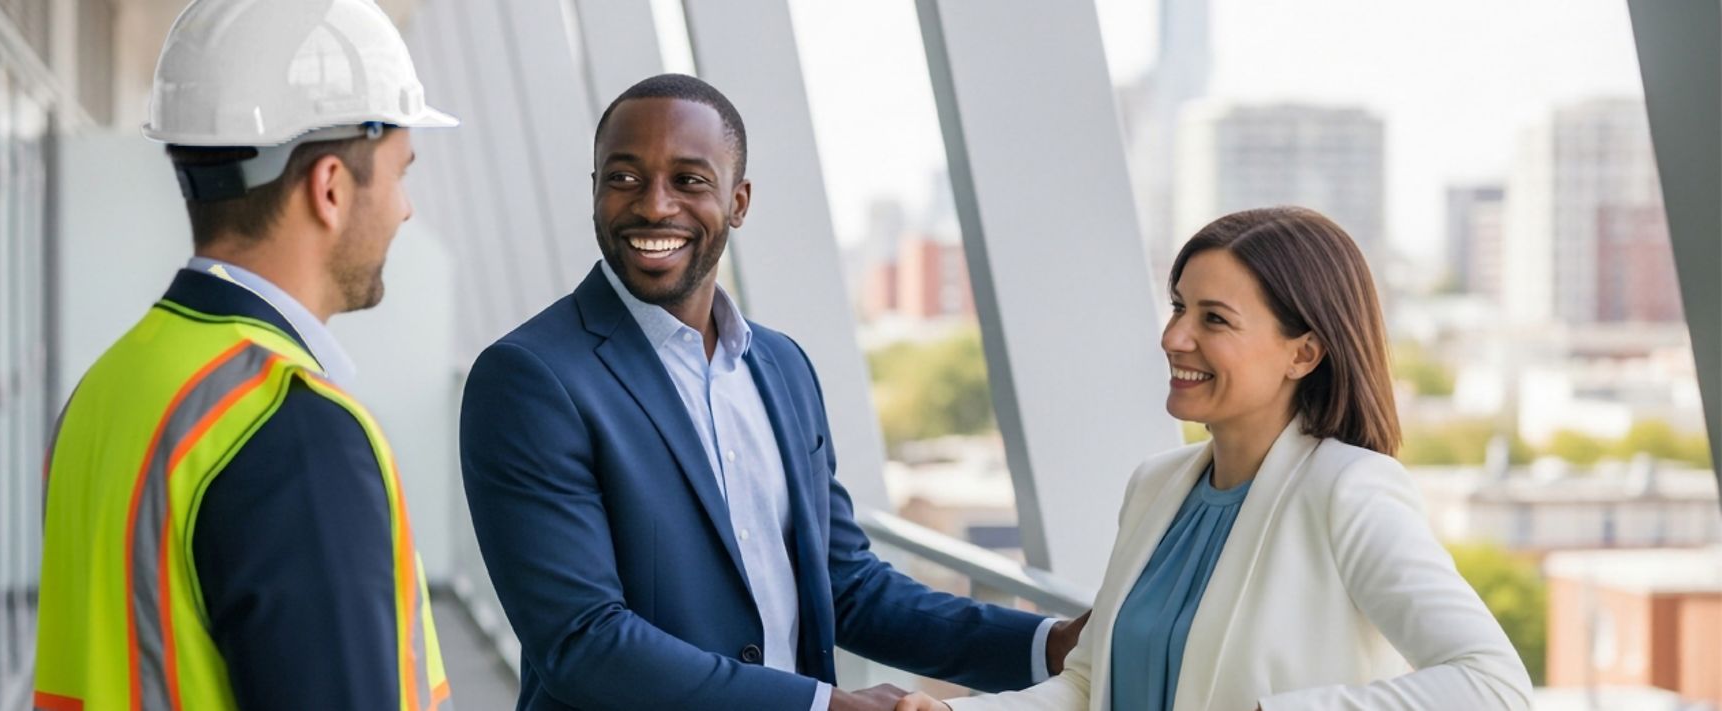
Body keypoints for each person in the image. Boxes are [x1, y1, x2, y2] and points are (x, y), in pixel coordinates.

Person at [459, 73, 1084, 711]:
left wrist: (1051, 644)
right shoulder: (529, 380)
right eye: (623, 178)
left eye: (689, 180)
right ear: (594, 191)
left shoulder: (782, 367)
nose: (653, 205)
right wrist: (825, 707)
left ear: (739, 201)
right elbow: (583, 643)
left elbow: (845, 587)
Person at [895, 207, 1533, 711]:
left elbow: (1493, 684)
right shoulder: (1155, 486)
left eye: (1214, 319)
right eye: (1178, 306)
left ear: (1303, 354)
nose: (1174, 337)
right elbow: (1091, 686)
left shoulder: (1350, 490)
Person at [31, 1, 459, 708]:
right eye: (399, 173)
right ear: (330, 187)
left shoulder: (104, 390)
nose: (405, 209)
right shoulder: (293, 430)